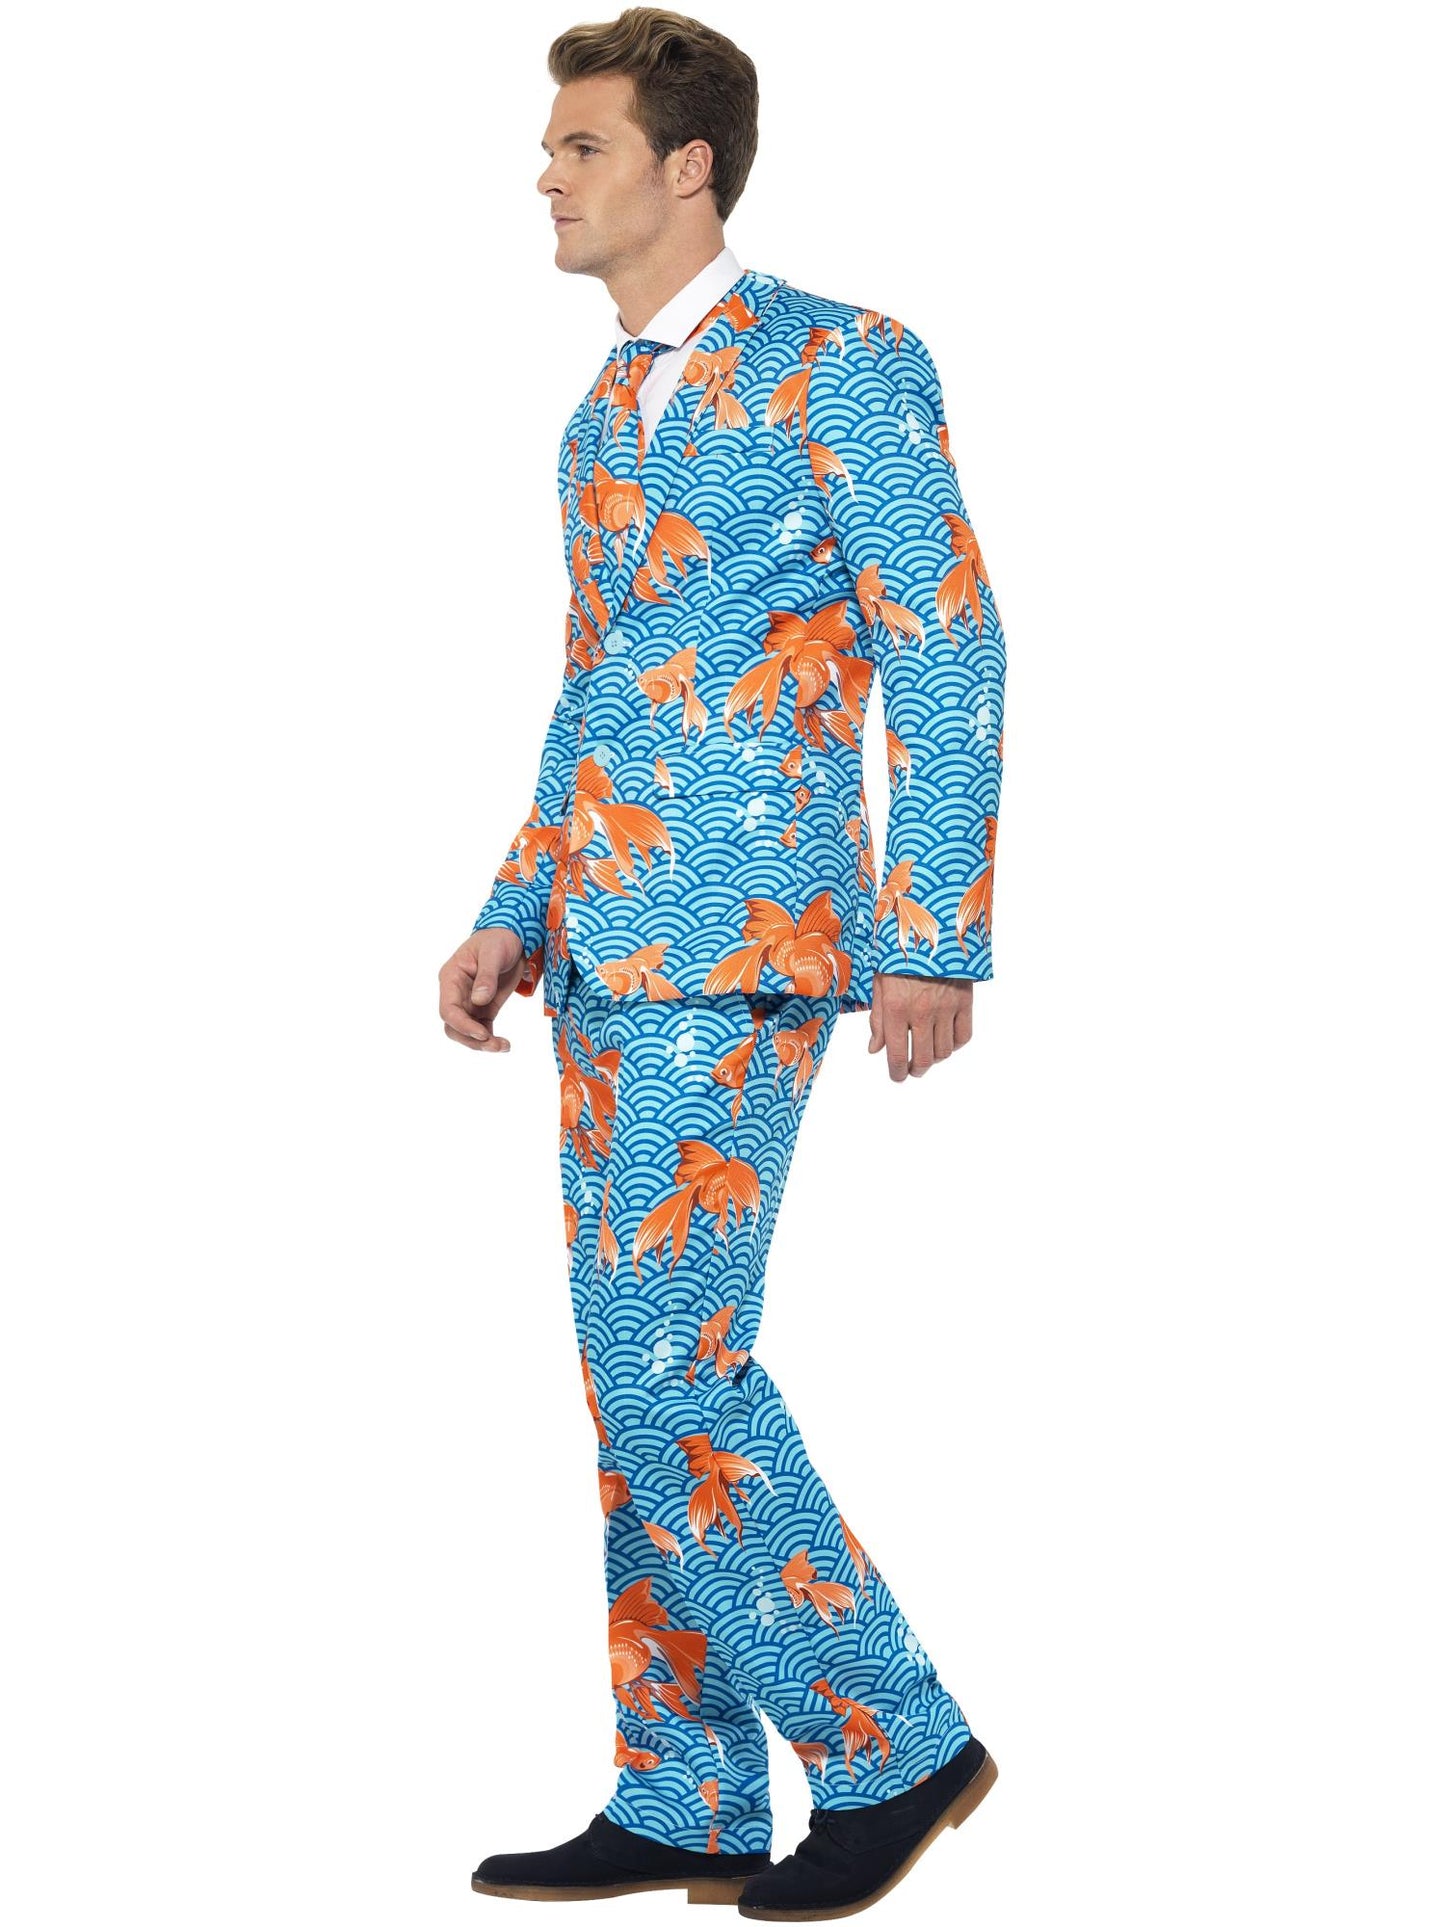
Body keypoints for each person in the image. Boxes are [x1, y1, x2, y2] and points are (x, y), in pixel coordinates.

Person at [437, 9, 1006, 1917]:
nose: (545, 173)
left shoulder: (846, 359)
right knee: (632, 1379)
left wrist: (932, 930)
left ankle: (896, 1746)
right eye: (552, 146)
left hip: (745, 936)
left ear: (686, 167)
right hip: (601, 947)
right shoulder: (601, 414)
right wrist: (516, 903)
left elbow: (944, 639)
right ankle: (682, 1792)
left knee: (669, 1362)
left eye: (580, 144)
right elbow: (595, 685)